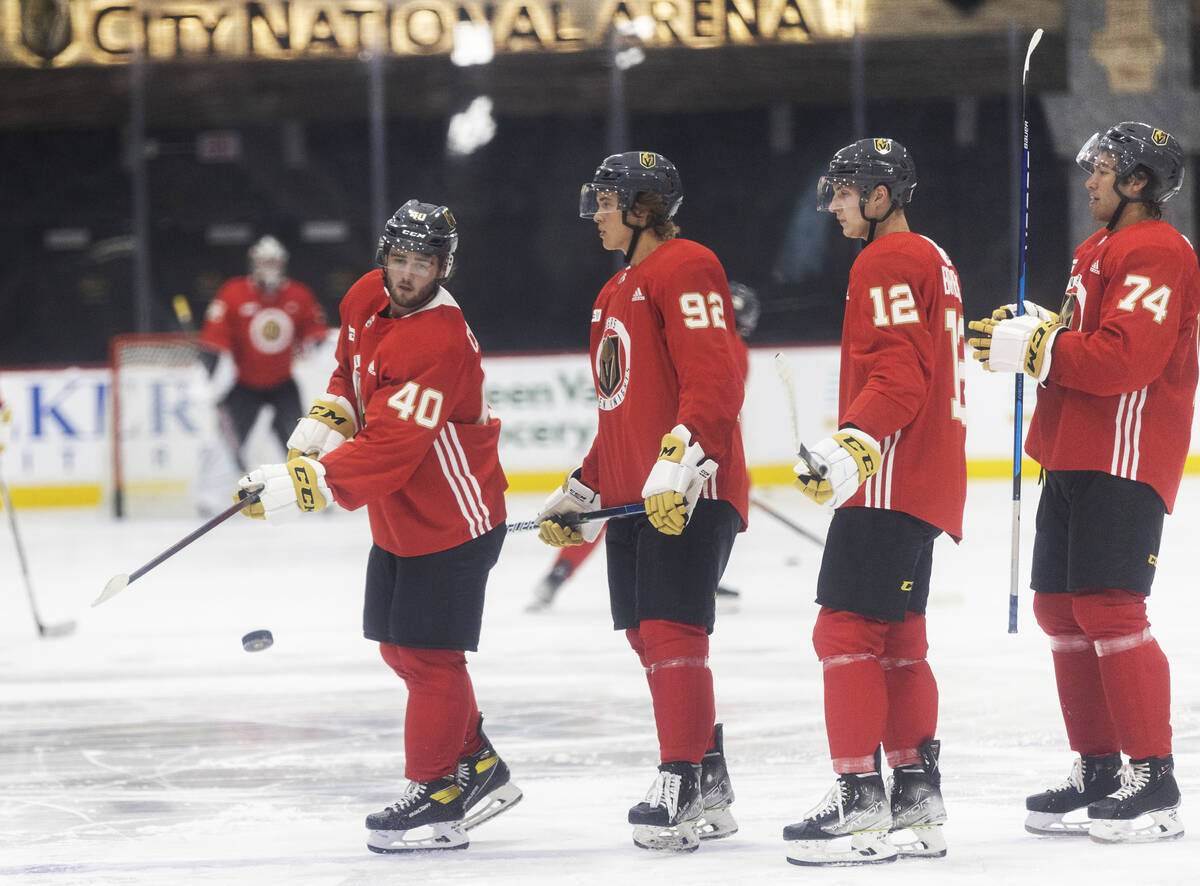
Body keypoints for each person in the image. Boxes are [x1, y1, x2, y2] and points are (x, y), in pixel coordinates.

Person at [235, 200, 520, 853]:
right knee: (401, 649)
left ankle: (439, 797)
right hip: (403, 517)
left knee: (429, 658)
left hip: (453, 518)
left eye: (424, 263)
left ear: (443, 267)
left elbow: (392, 446)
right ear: (383, 256)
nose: (408, 274)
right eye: (400, 258)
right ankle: (476, 765)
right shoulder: (367, 297)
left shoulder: (439, 339)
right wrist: (327, 417)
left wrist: (306, 483)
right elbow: (351, 370)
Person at [968, 121, 1197, 844]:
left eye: (1101, 167)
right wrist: (1034, 330)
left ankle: (1154, 781)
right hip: (1071, 451)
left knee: (1108, 609)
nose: (1088, 178)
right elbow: (1082, 338)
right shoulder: (1096, 249)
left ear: (1137, 181)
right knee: (1060, 612)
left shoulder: (1158, 249)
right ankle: (1100, 767)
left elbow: (1123, 360)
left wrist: (1039, 346)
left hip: (1122, 455)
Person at [536, 151, 749, 852]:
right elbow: (619, 413)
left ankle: (681, 776)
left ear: (643, 206)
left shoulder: (686, 266)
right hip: (632, 500)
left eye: (606, 200)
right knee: (644, 636)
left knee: (668, 632)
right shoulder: (613, 291)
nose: (594, 213)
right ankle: (707, 773)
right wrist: (582, 488)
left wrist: (684, 458)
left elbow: (715, 380)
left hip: (690, 489)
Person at [782, 138, 966, 866]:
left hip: (889, 477)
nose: (833, 205)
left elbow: (899, 371)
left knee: (844, 635)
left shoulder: (885, 259)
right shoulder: (935, 258)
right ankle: (917, 799)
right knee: (898, 642)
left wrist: (854, 439)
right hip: (927, 477)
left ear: (882, 195)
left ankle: (859, 801)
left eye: (845, 192)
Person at [525, 282, 761, 613]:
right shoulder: (733, 349)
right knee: (667, 517)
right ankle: (700, 575)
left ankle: (558, 575)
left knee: (608, 506)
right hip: (681, 451)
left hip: (656, 440)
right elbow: (719, 416)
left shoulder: (693, 339)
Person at [200, 235, 328, 468]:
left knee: (300, 439)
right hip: (243, 385)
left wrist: (314, 346)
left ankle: (309, 489)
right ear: (254, 264)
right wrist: (213, 381)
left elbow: (314, 335)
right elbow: (214, 343)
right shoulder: (233, 293)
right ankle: (211, 499)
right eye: (264, 262)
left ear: (282, 264)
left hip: (282, 383)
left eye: (274, 262)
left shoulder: (298, 294)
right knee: (227, 445)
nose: (269, 268)